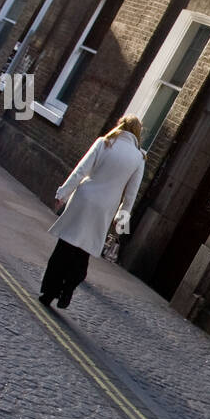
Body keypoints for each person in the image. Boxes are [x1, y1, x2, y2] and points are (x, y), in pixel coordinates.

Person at [39, 114, 145, 309]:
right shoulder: (139, 158)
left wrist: (62, 194)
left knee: (64, 248)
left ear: (120, 125)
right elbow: (131, 195)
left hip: (83, 199)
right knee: (83, 253)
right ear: (138, 133)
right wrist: (121, 221)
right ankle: (68, 289)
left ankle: (48, 292)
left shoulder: (104, 143)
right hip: (104, 209)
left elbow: (80, 171)